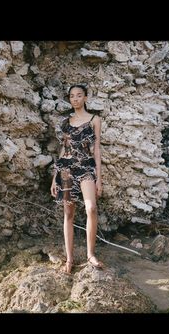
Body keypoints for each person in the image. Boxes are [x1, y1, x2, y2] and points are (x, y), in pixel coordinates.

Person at [50, 84, 104, 274]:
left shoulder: (94, 120)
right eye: (72, 96)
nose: (75, 99)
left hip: (86, 167)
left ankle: (91, 254)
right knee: (68, 213)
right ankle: (70, 259)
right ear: (69, 99)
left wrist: (100, 178)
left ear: (85, 98)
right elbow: (63, 149)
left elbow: (96, 150)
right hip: (66, 170)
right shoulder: (65, 122)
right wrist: (55, 176)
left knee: (91, 208)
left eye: (79, 95)